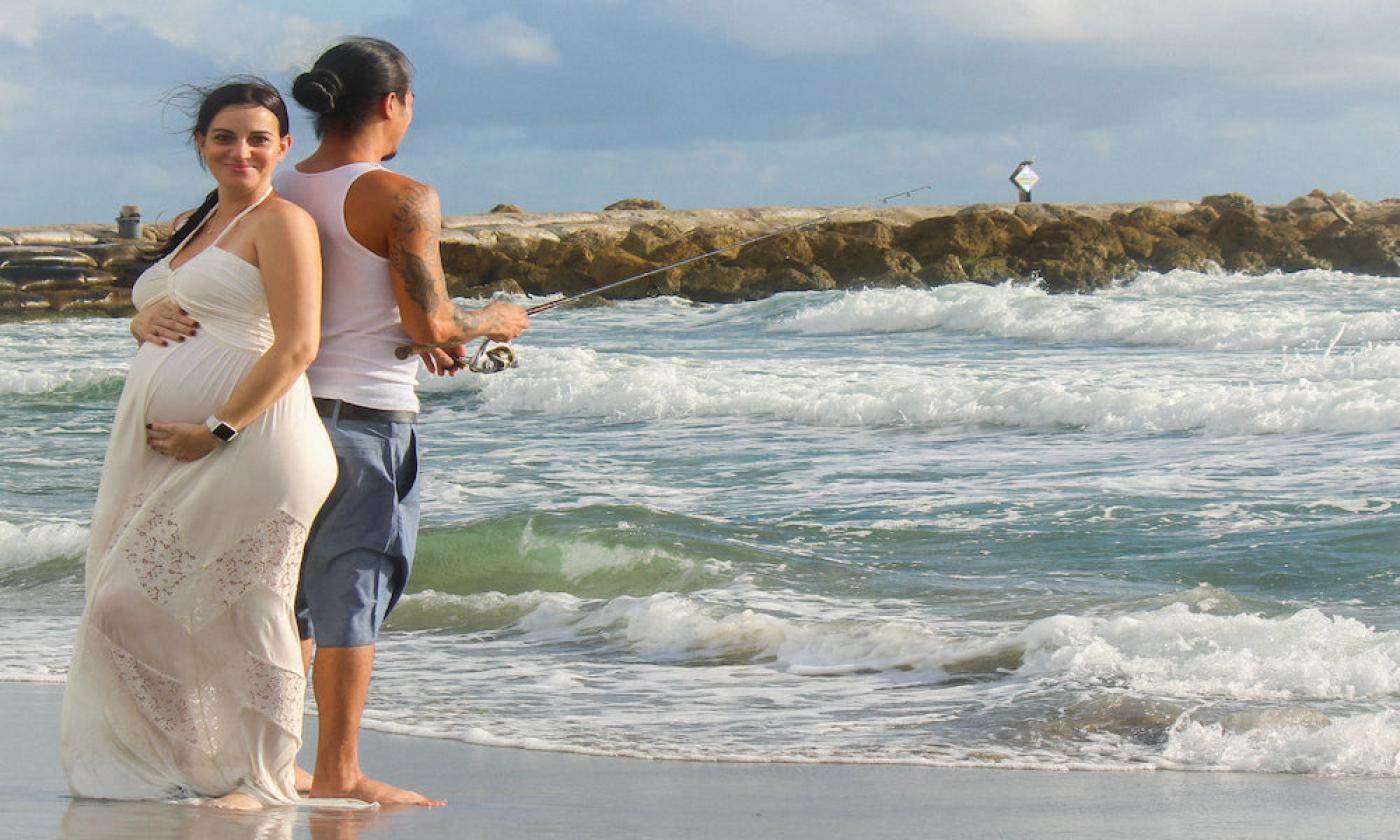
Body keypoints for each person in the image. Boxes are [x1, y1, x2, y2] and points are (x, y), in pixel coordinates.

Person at [61, 80, 337, 810]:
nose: (239, 150)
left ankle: (261, 776)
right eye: (223, 137)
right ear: (200, 145)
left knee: (252, 605)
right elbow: (171, 307)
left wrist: (216, 430)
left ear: (284, 147)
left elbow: (298, 345)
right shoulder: (198, 222)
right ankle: (207, 764)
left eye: (257, 138)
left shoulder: (283, 224)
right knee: (125, 604)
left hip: (257, 441)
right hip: (180, 448)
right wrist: (137, 323)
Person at [275, 38, 529, 806]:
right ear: (393, 103)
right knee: (353, 588)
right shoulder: (402, 196)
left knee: (287, 593)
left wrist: (424, 336)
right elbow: (438, 319)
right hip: (366, 423)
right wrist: (500, 319)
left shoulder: (277, 184)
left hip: (283, 417)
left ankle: (275, 755)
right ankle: (340, 771)